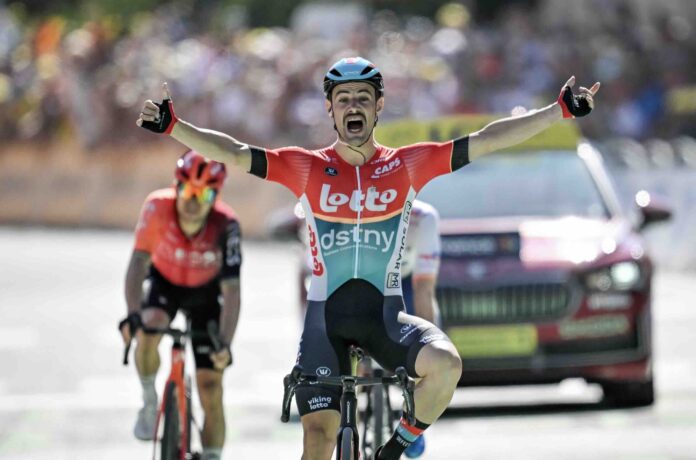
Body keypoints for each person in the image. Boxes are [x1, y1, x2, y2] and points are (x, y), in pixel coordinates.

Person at [136, 56, 599, 460]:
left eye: (363, 97)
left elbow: (488, 139)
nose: (353, 106)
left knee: (448, 365)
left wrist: (557, 112)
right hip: (325, 322)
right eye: (343, 98)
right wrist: (176, 128)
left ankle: (394, 448)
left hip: (386, 317)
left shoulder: (409, 164)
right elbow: (236, 153)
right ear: (330, 109)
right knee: (317, 439)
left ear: (379, 107)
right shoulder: (306, 167)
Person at [118, 150, 242, 460]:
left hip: (205, 295)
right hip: (165, 285)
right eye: (187, 190)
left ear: (216, 196)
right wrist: (133, 314)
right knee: (148, 330)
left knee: (211, 386)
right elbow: (138, 262)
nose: (193, 201)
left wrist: (224, 343)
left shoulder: (226, 225)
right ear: (176, 186)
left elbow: (232, 292)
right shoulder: (157, 207)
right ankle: (149, 400)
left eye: (204, 194)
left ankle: (212, 455)